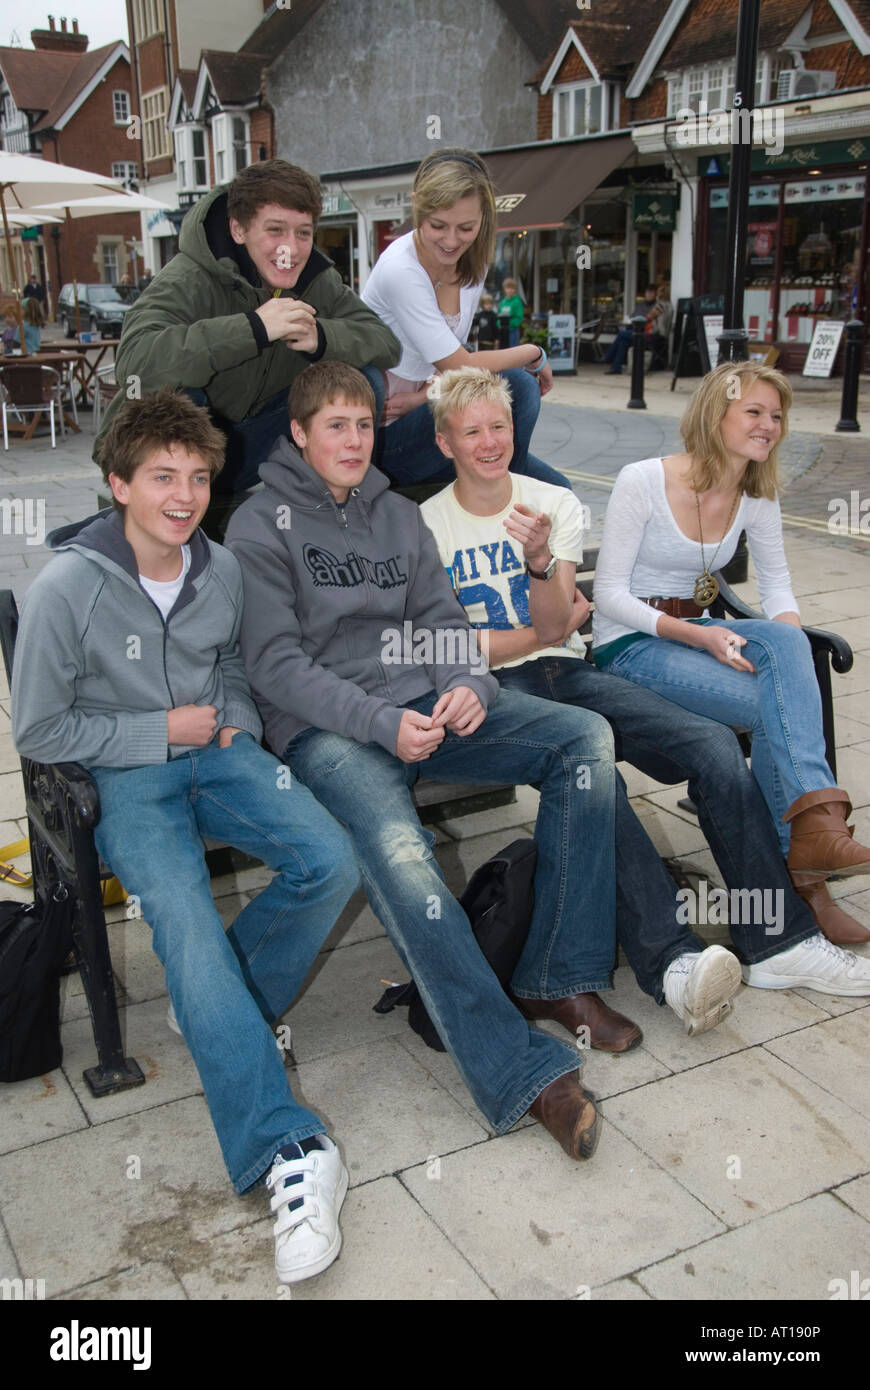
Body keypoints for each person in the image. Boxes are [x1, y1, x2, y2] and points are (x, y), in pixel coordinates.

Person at [226, 359, 639, 1165]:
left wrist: (467, 684)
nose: (353, 440)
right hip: (331, 731)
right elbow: (276, 666)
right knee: (406, 858)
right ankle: (522, 1073)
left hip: (427, 705)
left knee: (583, 741)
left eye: (365, 424)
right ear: (300, 434)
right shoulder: (257, 525)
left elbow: (444, 620)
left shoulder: (396, 516)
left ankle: (557, 969)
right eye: (335, 425)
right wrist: (383, 721)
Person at [11, 387, 362, 1286]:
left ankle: (220, 1007)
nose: (184, 495)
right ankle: (287, 1150)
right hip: (130, 778)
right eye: (162, 476)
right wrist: (159, 734)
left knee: (330, 859)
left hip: (220, 750)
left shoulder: (221, 567)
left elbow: (235, 664)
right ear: (117, 483)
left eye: (199, 477)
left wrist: (234, 719)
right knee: (188, 932)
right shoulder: (67, 591)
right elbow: (41, 733)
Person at [421, 366, 870, 1001]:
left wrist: (542, 564)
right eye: (472, 432)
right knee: (589, 765)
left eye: (500, 425)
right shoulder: (424, 526)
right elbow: (451, 645)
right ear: (445, 444)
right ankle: (672, 958)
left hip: (570, 668)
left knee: (715, 745)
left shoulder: (552, 503)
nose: (490, 441)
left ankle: (780, 942)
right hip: (489, 686)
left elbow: (560, 627)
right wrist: (538, 633)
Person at [593, 360, 870, 949]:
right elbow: (609, 595)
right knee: (781, 710)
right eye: (754, 411)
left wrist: (789, 646)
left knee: (787, 671)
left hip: (702, 632)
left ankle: (810, 845)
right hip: (631, 642)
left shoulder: (755, 493)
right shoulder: (642, 480)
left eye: (776, 415)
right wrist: (701, 635)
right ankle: (809, 875)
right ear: (716, 414)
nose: (769, 424)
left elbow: (778, 589)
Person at [96, 160, 400, 494]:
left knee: (365, 378)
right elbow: (134, 364)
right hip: (154, 459)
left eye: (303, 233)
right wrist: (253, 328)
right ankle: (172, 516)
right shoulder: (189, 277)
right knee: (179, 393)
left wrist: (321, 336)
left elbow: (385, 343)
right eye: (275, 230)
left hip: (245, 447)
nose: (291, 249)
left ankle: (335, 510)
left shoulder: (318, 280)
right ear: (239, 230)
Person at [361, 147, 570, 490]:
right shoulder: (401, 269)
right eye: (437, 225)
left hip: (428, 407)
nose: (451, 240)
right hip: (388, 441)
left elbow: (448, 370)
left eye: (466, 227)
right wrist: (534, 352)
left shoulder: (473, 260)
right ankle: (502, 497)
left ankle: (502, 489)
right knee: (519, 385)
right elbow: (462, 367)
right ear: (417, 206)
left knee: (560, 492)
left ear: (483, 218)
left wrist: (423, 397)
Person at [603, 285, 666, 376]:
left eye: (651, 293)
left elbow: (647, 319)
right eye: (647, 293)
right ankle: (616, 367)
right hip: (642, 331)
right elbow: (633, 316)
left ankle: (608, 357)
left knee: (622, 334)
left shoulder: (659, 306)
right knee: (623, 342)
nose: (648, 295)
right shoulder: (642, 305)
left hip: (649, 334)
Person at [497, 276, 524, 347]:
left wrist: (510, 324)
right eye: (508, 288)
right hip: (503, 331)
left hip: (512, 331)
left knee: (513, 350)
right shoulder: (502, 302)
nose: (510, 290)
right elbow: (498, 316)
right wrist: (499, 324)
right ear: (504, 289)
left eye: (512, 288)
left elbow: (519, 317)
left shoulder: (517, 302)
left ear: (515, 289)